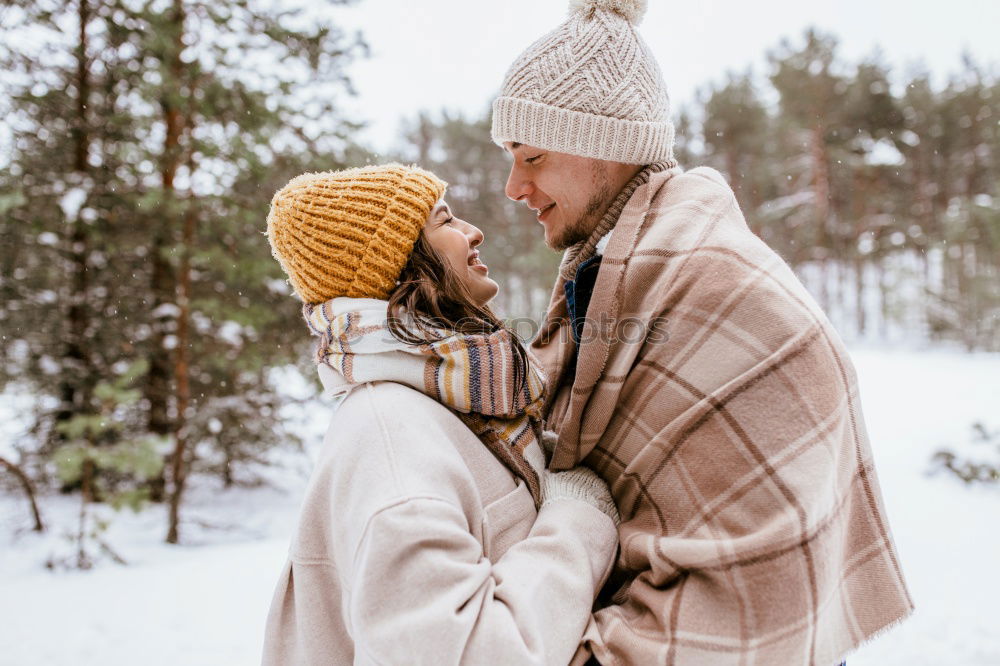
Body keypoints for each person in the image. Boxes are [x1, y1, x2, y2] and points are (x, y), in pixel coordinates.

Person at [490, 0, 913, 664]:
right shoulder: (608, 272)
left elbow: (760, 576)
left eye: (532, 156)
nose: (513, 186)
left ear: (606, 145)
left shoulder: (714, 285)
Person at [260, 164, 621, 666]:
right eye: (446, 221)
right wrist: (578, 522)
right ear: (400, 265)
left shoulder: (464, 404)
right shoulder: (390, 438)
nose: (474, 232)